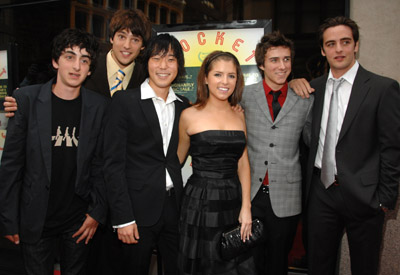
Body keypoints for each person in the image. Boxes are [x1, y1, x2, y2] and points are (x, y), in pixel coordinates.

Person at [0, 28, 109, 275]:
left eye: (84, 60)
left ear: (90, 69)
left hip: (78, 219)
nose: (76, 66)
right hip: (35, 216)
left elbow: (102, 163)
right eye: (69, 56)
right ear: (55, 61)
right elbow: (11, 165)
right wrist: (8, 219)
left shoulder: (100, 107)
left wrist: (96, 212)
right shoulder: (26, 100)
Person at [301, 16, 400, 275]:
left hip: (365, 196)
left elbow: (392, 147)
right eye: (331, 44)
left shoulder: (382, 88)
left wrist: (385, 199)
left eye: (345, 42)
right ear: (323, 50)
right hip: (321, 193)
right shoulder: (314, 88)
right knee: (318, 266)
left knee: (364, 267)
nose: (339, 49)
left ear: (356, 45)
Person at [103, 33, 190, 275]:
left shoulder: (184, 105)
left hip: (175, 208)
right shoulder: (124, 101)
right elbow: (112, 164)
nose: (163, 66)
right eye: (157, 58)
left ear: (178, 66)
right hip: (136, 211)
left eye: (171, 60)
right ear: (146, 63)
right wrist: (123, 217)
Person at [240, 31, 313, 275]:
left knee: (279, 262)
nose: (281, 66)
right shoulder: (244, 96)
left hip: (287, 196)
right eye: (274, 60)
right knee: (250, 261)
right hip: (251, 195)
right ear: (261, 64)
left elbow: (312, 141)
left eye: (286, 59)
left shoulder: (305, 99)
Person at [177, 51, 256, 275]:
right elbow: (177, 160)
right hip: (199, 202)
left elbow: (243, 163)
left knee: (231, 263)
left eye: (231, 76)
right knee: (203, 265)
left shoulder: (239, 115)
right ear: (205, 78)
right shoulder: (189, 115)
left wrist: (246, 207)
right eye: (218, 74)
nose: (224, 82)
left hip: (232, 199)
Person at [3, 9, 152, 116]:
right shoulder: (85, 64)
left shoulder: (146, 76)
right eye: (121, 36)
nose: (127, 45)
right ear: (111, 38)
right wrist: (21, 104)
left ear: (143, 46)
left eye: (135, 40)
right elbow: (50, 92)